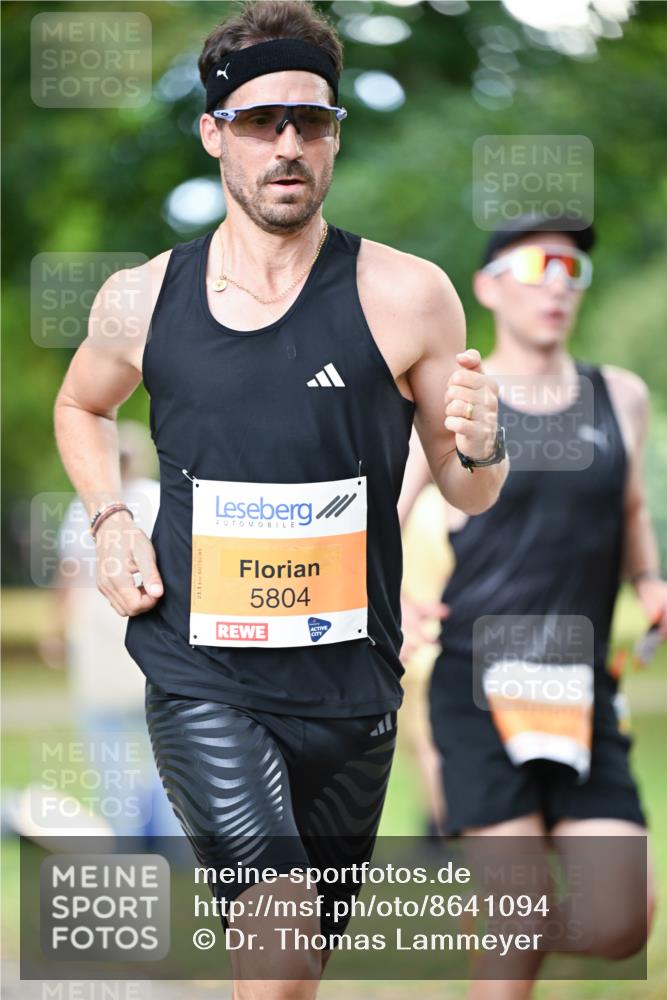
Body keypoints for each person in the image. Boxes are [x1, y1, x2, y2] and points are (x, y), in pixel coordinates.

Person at [52, 2, 508, 994]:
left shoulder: (409, 294)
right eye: (263, 122)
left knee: (294, 962)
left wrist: (484, 438)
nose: (290, 145)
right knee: (278, 919)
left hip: (353, 688)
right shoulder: (140, 298)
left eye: (313, 121)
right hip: (201, 669)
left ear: (335, 133)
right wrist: (110, 514)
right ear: (216, 133)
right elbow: (80, 407)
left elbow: (470, 490)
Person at [399, 213, 664, 997]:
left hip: (580, 689)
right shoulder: (457, 402)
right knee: (514, 924)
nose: (555, 284)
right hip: (477, 686)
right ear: (486, 287)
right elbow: (387, 510)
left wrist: (649, 582)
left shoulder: (620, 396)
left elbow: (628, 510)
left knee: (621, 924)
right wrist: (387, 597)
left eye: (570, 271)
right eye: (533, 267)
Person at [39, 420, 183, 843]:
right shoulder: (160, 500)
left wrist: (54, 631)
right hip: (152, 651)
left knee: (109, 753)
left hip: (101, 654)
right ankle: (171, 838)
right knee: (162, 751)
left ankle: (127, 839)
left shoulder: (88, 510)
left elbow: (68, 577)